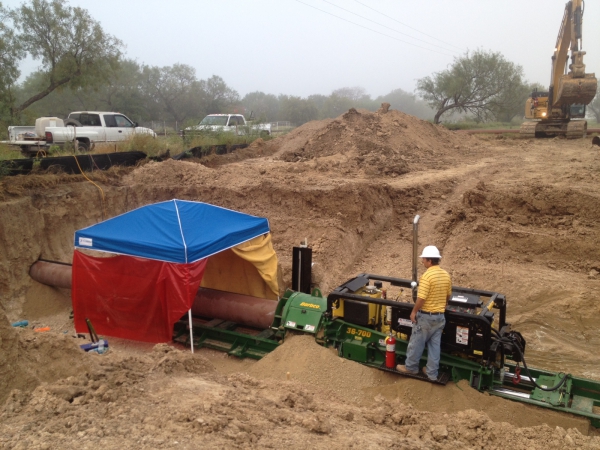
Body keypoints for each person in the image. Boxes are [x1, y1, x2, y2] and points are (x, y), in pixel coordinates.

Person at [396, 245, 452, 381]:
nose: (422, 262)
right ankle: (432, 373)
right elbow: (448, 296)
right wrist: (442, 305)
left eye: (424, 259)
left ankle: (411, 367)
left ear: (429, 261)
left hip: (426, 317)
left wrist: (414, 311)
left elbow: (421, 298)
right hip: (439, 317)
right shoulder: (445, 275)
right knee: (434, 346)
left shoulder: (427, 276)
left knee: (416, 342)